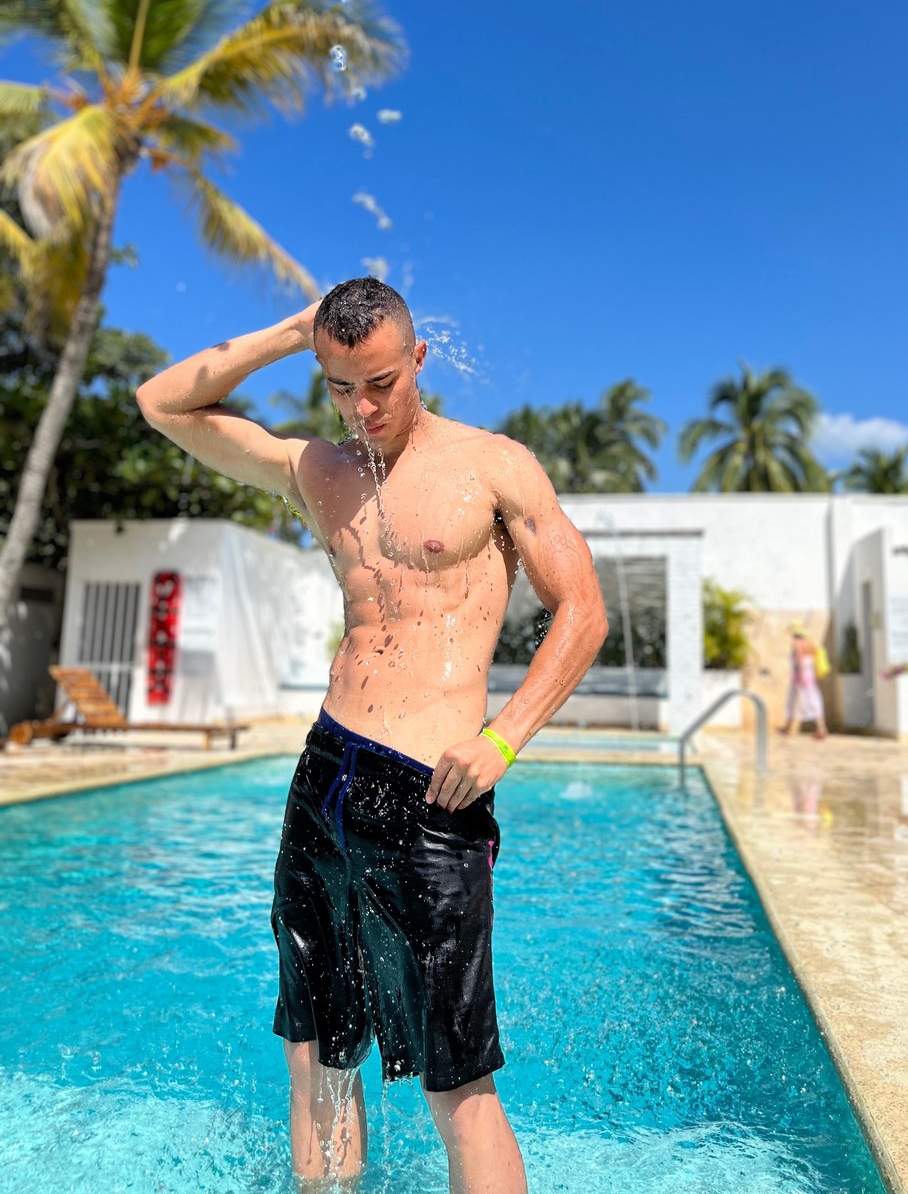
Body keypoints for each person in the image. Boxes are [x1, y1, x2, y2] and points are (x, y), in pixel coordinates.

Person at [136, 277, 609, 1193]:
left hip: (432, 791)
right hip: (325, 776)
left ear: (419, 358)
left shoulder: (492, 464)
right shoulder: (317, 469)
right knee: (317, 1053)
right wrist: (292, 330)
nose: (363, 408)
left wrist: (504, 739)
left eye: (382, 383)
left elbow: (583, 611)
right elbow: (162, 404)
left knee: (457, 1086)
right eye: (341, 387)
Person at [778, 625, 828, 740]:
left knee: (794, 701)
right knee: (813, 702)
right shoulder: (810, 647)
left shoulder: (798, 647)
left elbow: (800, 662)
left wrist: (800, 676)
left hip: (800, 678)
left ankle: (819, 729)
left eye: (795, 636)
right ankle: (820, 728)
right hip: (810, 677)